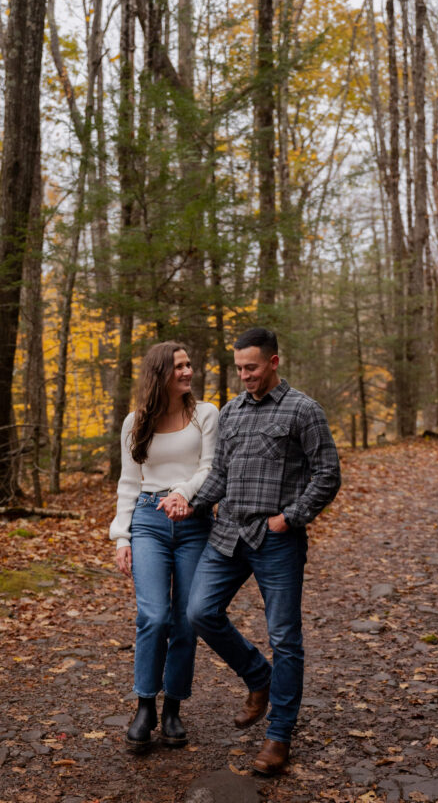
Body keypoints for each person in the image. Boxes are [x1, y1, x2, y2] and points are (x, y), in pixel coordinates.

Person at [182, 327, 341, 775]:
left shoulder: (304, 411)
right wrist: (189, 501)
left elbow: (327, 475)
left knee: (286, 639)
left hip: (276, 540)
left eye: (251, 367)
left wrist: (290, 517)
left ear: (274, 362)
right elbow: (220, 476)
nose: (244, 375)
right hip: (228, 534)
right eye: (239, 368)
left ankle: (279, 736)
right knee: (200, 613)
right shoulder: (231, 413)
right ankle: (258, 677)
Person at [110, 342, 219, 753]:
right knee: (153, 616)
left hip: (194, 522)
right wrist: (123, 535)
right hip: (149, 522)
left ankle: (173, 707)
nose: (188, 371)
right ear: (160, 373)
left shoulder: (206, 414)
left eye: (190, 363)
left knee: (187, 619)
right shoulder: (134, 422)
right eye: (179, 366)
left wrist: (182, 494)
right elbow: (128, 481)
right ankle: (145, 707)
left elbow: (210, 468)